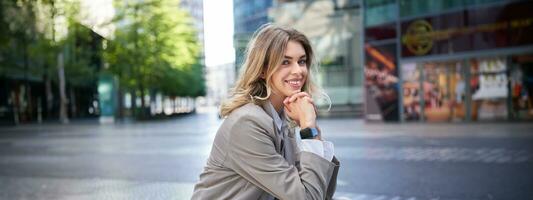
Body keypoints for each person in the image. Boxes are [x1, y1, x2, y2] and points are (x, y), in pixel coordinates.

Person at [191, 24, 340, 200]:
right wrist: (308, 129)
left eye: (301, 61)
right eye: (285, 62)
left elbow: (322, 193)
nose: (298, 71)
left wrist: (313, 132)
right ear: (262, 70)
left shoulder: (284, 119)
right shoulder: (247, 123)